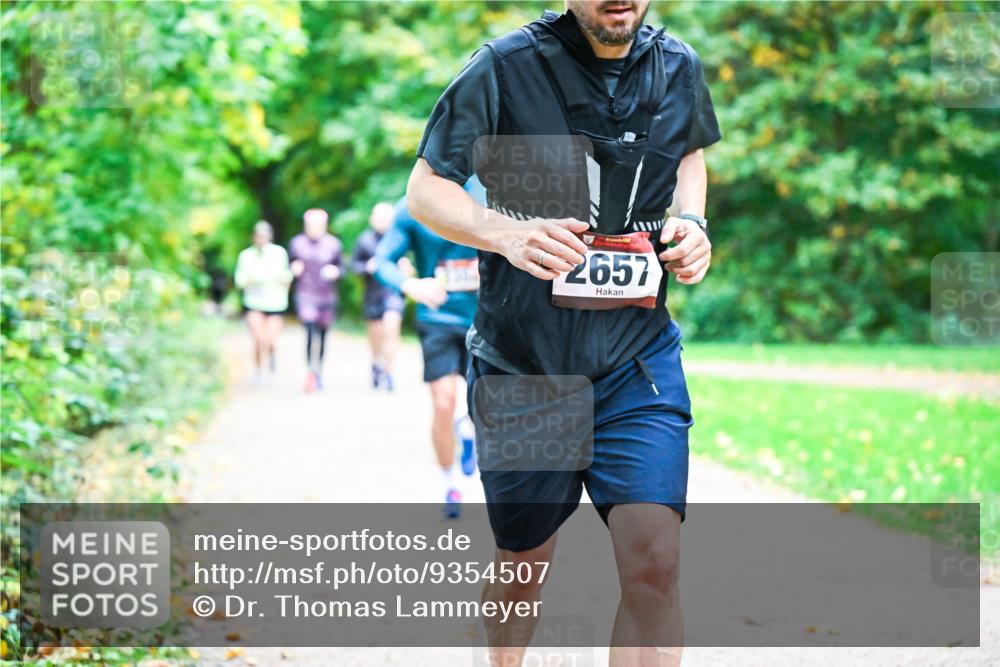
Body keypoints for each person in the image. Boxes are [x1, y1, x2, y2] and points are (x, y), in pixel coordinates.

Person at [406, 1, 720, 665]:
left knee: (655, 563)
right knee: (524, 562)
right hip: (526, 365)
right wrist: (507, 233)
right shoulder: (503, 66)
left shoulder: (678, 67)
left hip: (637, 360)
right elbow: (427, 188)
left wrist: (693, 224)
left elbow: (690, 153)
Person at [374, 178, 485, 518]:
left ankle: (467, 432)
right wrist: (411, 284)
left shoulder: (489, 194)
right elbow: (382, 262)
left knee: (483, 407)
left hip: (484, 320)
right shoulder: (412, 206)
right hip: (437, 320)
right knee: (442, 402)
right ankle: (450, 481)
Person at [350, 202, 405, 391]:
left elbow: (407, 263)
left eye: (387, 218)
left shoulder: (399, 239)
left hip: (393, 294)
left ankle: (389, 371)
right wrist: (368, 267)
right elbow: (354, 266)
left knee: (391, 331)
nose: (383, 221)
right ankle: (376, 364)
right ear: (372, 219)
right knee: (376, 336)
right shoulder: (364, 240)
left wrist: (405, 268)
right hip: (372, 294)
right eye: (380, 217)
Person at [289, 208, 343, 392]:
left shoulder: (333, 244)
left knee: (323, 336)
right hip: (305, 295)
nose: (314, 229)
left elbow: (342, 268)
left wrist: (335, 272)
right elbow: (290, 265)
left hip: (326, 297)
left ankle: (318, 370)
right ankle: (310, 371)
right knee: (310, 331)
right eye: (311, 225)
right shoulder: (297, 243)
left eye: (318, 225)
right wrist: (293, 269)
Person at [234, 221, 293, 385]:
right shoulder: (246, 255)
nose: (261, 239)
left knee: (271, 339)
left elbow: (286, 276)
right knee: (259, 338)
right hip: (254, 303)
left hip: (275, 304)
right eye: (258, 236)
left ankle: (272, 356)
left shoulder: (279, 253)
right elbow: (240, 279)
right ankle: (259, 370)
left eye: (264, 236)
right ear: (254, 237)